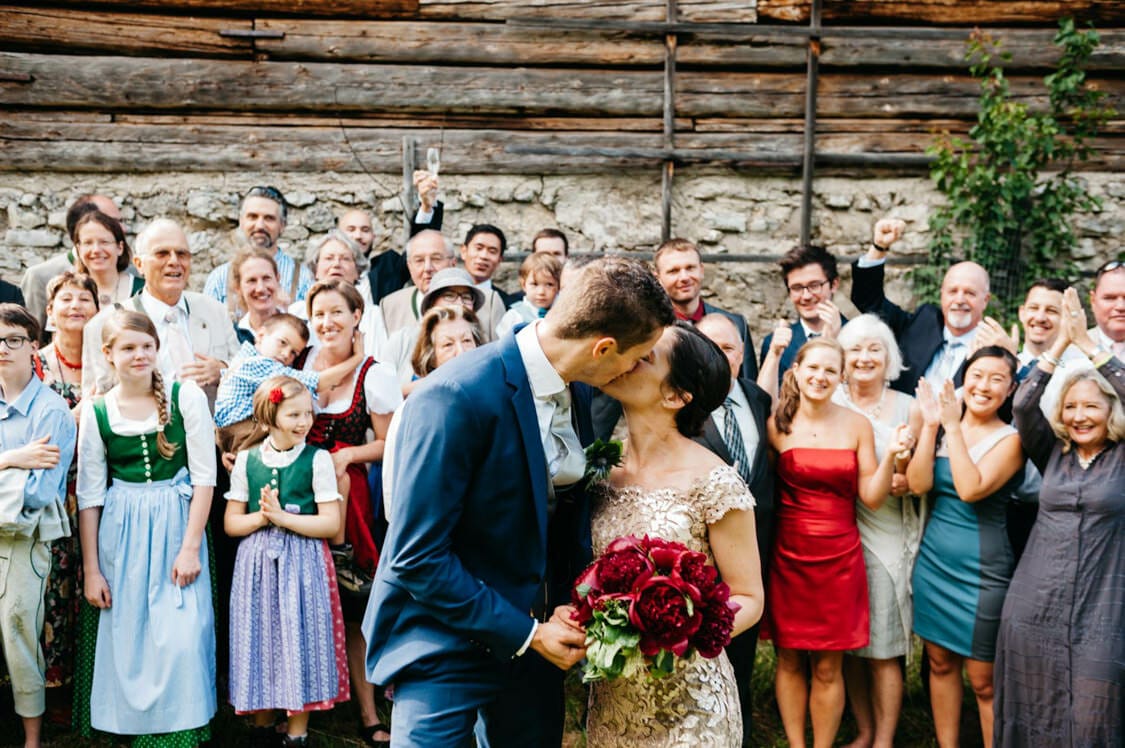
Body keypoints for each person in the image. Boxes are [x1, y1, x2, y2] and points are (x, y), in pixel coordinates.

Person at [364, 257, 673, 747]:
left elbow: (555, 514)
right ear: (603, 348)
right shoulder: (454, 397)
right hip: (443, 641)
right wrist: (526, 633)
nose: (634, 369)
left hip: (537, 649)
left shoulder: (580, 390)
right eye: (637, 356)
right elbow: (417, 558)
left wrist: (571, 605)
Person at [564, 322, 765, 745]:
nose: (626, 355)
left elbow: (749, 597)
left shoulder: (715, 481)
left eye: (646, 354)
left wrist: (678, 631)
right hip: (615, 701)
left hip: (692, 707)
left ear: (675, 395)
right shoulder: (600, 472)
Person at [75, 310, 217, 744]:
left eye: (147, 346)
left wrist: (190, 547)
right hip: (123, 531)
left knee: (182, 636)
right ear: (108, 354)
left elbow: (204, 477)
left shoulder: (184, 396)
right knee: (129, 633)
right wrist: (92, 569)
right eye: (128, 348)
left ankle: (181, 729)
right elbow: (90, 496)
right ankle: (130, 727)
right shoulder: (98, 411)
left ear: (157, 348)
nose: (140, 355)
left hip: (178, 525)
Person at [993, 287, 1124, 746]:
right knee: (1035, 707)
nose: (1079, 416)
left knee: (1095, 713)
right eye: (1071, 406)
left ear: (1111, 410)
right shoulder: (1053, 453)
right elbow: (1023, 405)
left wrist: (1088, 345)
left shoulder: (1122, 456)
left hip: (1104, 606)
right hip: (1036, 602)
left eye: (1091, 405)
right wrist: (1061, 345)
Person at [765, 338, 910, 748]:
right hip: (789, 556)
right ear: (796, 371)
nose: (821, 376)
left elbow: (872, 497)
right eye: (813, 368)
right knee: (789, 658)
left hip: (839, 557)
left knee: (829, 665)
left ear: (841, 377)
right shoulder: (776, 425)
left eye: (830, 370)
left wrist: (891, 456)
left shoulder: (856, 425)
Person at [907, 347, 1025, 748]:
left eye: (997, 379)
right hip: (934, 564)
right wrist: (931, 426)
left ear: (1011, 389)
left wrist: (952, 427)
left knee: (983, 680)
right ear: (964, 379)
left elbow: (970, 489)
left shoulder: (1011, 440)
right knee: (940, 664)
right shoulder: (943, 429)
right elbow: (918, 484)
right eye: (977, 375)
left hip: (983, 572)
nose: (983, 386)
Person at [301, 279, 400, 747]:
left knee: (354, 607)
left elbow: (389, 443)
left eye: (337, 312)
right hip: (298, 490)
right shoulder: (299, 363)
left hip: (350, 500)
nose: (327, 322)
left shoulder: (374, 374)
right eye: (319, 314)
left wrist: (349, 455)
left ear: (357, 316)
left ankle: (368, 713)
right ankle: (296, 706)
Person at [225, 376, 349, 748]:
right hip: (257, 565)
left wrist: (283, 518)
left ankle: (297, 732)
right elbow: (232, 523)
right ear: (270, 416)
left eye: (307, 413)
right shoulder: (247, 460)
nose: (304, 422)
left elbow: (330, 523)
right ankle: (262, 727)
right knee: (260, 638)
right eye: (294, 414)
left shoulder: (317, 459)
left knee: (300, 637)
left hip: (303, 562)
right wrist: (264, 518)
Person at [833, 314, 923, 748]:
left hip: (885, 530)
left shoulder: (908, 407)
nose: (865, 357)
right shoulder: (829, 400)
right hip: (836, 530)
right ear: (842, 357)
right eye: (855, 349)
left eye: (875, 349)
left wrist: (905, 476)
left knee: (884, 646)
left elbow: (919, 474)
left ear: (889, 357)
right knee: (848, 645)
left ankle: (884, 739)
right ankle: (864, 729)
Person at [694, 312, 774, 746]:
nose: (720, 356)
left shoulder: (759, 399)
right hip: (702, 553)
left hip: (754, 551)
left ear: (742, 354)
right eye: (710, 347)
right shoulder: (686, 404)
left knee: (742, 653)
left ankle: (738, 732)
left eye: (727, 348)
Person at [0, 304, 77, 748]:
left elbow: (37, 494)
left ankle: (32, 738)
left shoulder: (50, 412)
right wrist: (12, 459)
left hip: (22, 541)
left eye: (13, 339)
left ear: (34, 345)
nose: (3, 349)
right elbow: (17, 484)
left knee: (19, 633)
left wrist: (18, 477)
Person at [82, 218, 240, 406]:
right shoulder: (104, 324)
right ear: (139, 264)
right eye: (162, 254)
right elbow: (97, 402)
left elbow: (242, 369)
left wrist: (222, 370)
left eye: (181, 254)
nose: (174, 261)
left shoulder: (214, 310)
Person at [32, 273, 99, 695]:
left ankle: (93, 682)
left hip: (99, 488)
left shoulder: (108, 362)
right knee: (53, 584)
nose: (75, 306)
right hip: (52, 490)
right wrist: (73, 419)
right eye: (66, 299)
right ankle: (50, 686)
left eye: (85, 299)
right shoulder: (34, 365)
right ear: (50, 312)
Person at [851, 219, 991, 393]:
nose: (960, 299)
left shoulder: (991, 347)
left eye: (970, 293)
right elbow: (868, 299)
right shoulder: (922, 324)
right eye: (952, 291)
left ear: (985, 300)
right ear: (942, 294)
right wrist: (879, 247)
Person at [214, 313, 363, 461]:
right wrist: (356, 358)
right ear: (261, 335)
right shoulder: (257, 364)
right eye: (283, 343)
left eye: (294, 353)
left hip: (232, 437)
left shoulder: (241, 358)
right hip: (245, 433)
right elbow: (317, 382)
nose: (286, 354)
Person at [653, 238, 758, 379]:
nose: (684, 277)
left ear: (701, 270)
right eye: (674, 271)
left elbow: (748, 385)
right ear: (658, 278)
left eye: (690, 268)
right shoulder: (650, 329)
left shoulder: (737, 324)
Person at [22, 194, 121, 336]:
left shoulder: (133, 275)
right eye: (113, 221)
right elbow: (32, 336)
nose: (122, 228)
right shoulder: (40, 276)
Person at [203, 186, 314, 309]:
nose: (260, 225)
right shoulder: (219, 278)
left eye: (269, 218)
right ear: (241, 222)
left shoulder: (303, 278)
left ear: (282, 225)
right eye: (253, 217)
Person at [759, 244, 846, 392]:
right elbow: (765, 401)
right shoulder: (775, 343)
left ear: (834, 284)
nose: (806, 296)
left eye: (814, 285)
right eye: (797, 288)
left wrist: (831, 342)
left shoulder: (858, 337)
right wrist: (774, 353)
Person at [383, 267, 485, 389]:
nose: (459, 303)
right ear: (432, 304)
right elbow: (382, 391)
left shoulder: (481, 345)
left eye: (466, 297)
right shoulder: (402, 340)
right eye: (449, 296)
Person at [295, 231, 387, 357]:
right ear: (315, 269)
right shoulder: (297, 313)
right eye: (329, 258)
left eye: (345, 259)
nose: (336, 264)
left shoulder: (374, 316)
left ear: (358, 271)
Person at [365, 170, 446, 306]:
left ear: (373, 235)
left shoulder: (387, 268)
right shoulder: (330, 268)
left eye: (365, 229)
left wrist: (426, 207)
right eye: (351, 229)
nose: (357, 235)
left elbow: (421, 245)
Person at [378, 230, 457, 337]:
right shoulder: (391, 306)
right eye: (419, 260)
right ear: (409, 266)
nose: (427, 268)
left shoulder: (476, 303)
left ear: (453, 264)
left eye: (436, 259)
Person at [71, 210, 143, 309]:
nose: (96, 250)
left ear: (120, 247)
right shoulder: (67, 292)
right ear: (79, 249)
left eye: (104, 242)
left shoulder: (143, 290)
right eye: (88, 243)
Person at [228, 248, 287, 345]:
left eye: (266, 278)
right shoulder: (234, 339)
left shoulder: (300, 332)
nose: (261, 288)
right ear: (238, 287)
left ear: (277, 279)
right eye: (252, 280)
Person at [496, 253, 562, 337]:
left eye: (549, 285)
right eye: (535, 284)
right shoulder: (515, 315)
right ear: (524, 285)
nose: (541, 292)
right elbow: (502, 341)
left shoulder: (563, 314)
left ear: (558, 286)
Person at [410, 305, 482, 380]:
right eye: (448, 344)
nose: (461, 352)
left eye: (466, 340)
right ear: (431, 359)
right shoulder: (421, 386)